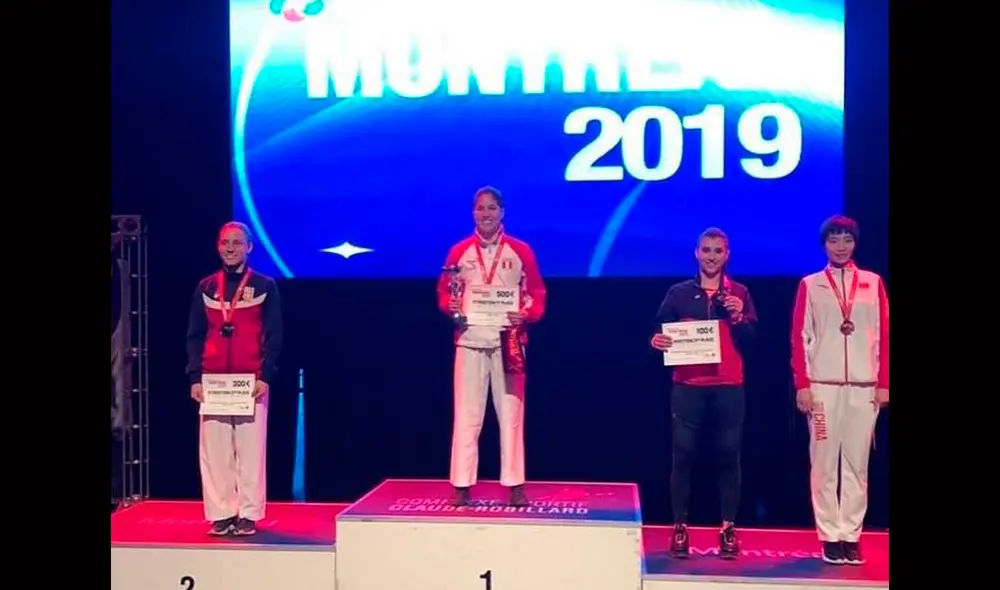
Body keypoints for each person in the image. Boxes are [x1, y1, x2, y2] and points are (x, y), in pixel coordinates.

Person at [649, 228, 758, 560]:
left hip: (728, 387)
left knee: (728, 457)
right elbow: (659, 332)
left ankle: (728, 528)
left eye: (718, 251)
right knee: (682, 457)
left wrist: (738, 317)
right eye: (706, 250)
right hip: (688, 387)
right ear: (696, 253)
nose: (712, 256)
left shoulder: (739, 292)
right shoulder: (678, 293)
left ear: (727, 255)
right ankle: (680, 526)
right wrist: (656, 342)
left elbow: (753, 342)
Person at [436, 186, 547, 507]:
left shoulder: (520, 251)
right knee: (467, 414)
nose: (485, 214)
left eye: (492, 208)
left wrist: (525, 314)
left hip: (509, 340)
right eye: (480, 209)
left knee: (511, 413)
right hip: (469, 340)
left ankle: (515, 484)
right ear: (473, 213)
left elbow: (538, 293)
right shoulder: (459, 252)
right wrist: (452, 308)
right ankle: (461, 484)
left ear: (502, 212)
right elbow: (444, 293)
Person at [790, 215, 888, 566]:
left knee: (857, 464)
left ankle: (852, 534)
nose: (841, 245)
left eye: (846, 239)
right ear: (824, 244)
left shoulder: (873, 283)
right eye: (834, 240)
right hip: (823, 388)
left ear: (855, 242)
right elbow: (800, 339)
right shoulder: (811, 284)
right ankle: (829, 534)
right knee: (824, 463)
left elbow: (884, 334)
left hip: (864, 387)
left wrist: (884, 383)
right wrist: (803, 384)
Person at [186, 221, 283, 536]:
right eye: (225, 242)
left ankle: (249, 514)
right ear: (218, 246)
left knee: (250, 449)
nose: (230, 248)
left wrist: (266, 375)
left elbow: (274, 334)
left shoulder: (265, 286)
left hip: (250, 380)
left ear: (249, 247)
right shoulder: (206, 287)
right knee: (214, 450)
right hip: (213, 381)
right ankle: (221, 513)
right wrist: (194, 377)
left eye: (237, 243)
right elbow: (195, 335)